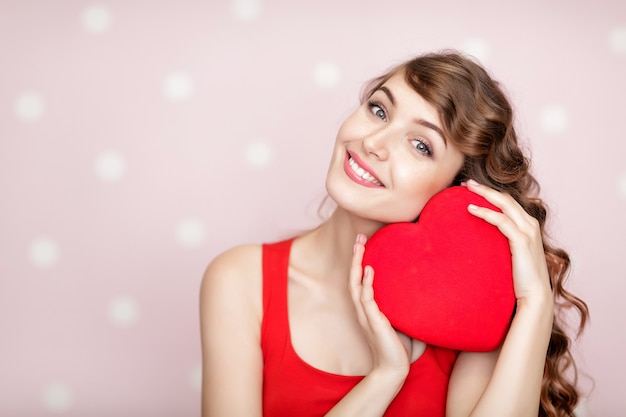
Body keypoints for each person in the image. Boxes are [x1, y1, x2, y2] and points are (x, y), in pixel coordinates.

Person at [199, 50, 589, 417]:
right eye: (379, 110)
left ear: (455, 189)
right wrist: (384, 377)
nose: (372, 143)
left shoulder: (468, 314)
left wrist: (535, 301)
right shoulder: (241, 280)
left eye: (421, 145)